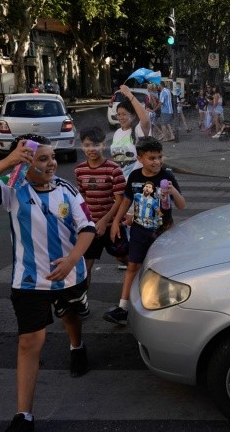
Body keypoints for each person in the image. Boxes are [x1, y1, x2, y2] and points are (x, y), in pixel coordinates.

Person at [0, 134, 95, 432]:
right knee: (29, 341)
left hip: (69, 275)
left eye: (52, 157)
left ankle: (77, 346)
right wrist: (8, 162)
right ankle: (24, 415)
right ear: (25, 163)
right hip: (29, 280)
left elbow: (87, 227)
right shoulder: (12, 190)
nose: (51, 163)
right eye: (43, 158)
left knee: (71, 316)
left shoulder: (67, 190)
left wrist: (73, 259)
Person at [105, 137, 186, 325]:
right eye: (152, 158)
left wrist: (173, 191)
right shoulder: (134, 177)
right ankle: (123, 308)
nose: (157, 162)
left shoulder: (167, 177)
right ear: (140, 158)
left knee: (163, 269)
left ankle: (164, 306)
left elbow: (182, 205)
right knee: (133, 266)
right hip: (139, 231)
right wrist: (116, 221)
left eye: (159, 157)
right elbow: (126, 200)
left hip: (163, 232)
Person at [74, 126, 129, 282]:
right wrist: (84, 220)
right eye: (87, 145)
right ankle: (81, 299)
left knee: (123, 257)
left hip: (113, 224)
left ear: (103, 145)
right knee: (87, 264)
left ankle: (138, 279)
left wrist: (106, 221)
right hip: (91, 226)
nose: (92, 149)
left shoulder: (114, 169)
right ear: (82, 146)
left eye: (96, 145)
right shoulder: (80, 170)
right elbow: (83, 196)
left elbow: (120, 199)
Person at [110, 84, 149, 180]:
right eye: (119, 114)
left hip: (136, 182)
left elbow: (146, 120)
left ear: (133, 116)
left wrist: (129, 94)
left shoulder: (138, 129)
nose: (121, 117)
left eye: (124, 114)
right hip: (119, 183)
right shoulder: (117, 132)